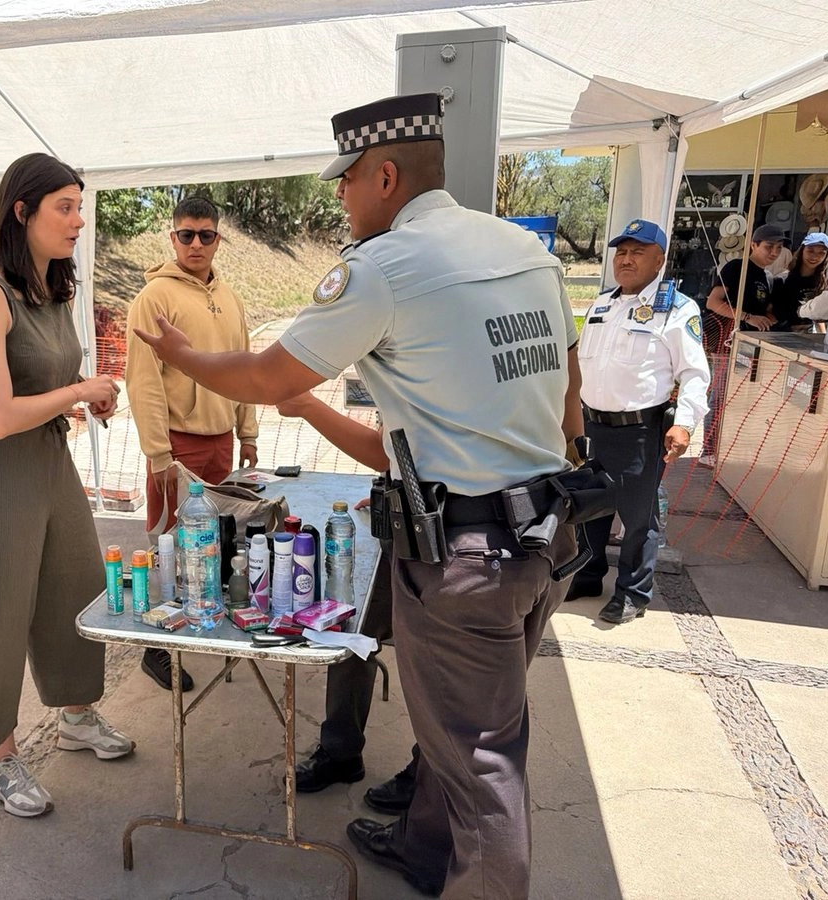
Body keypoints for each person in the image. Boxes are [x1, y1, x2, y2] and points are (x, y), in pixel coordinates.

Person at [136, 92, 584, 899]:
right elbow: (552, 393)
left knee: (483, 766)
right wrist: (305, 407)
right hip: (542, 533)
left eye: (346, 181)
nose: (338, 196)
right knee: (460, 737)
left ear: (385, 175)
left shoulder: (385, 267)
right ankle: (422, 852)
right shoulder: (524, 252)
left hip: (466, 561)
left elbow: (267, 373)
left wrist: (182, 353)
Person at [0, 152, 133, 821]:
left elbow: (47, 388)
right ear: (21, 211)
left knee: (77, 586)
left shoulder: (52, 287)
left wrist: (82, 401)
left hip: (50, 457)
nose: (79, 220)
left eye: (80, 206)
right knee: (1, 610)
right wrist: (80, 391)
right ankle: (1, 758)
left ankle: (78, 715)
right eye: (65, 206)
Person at [124, 197, 259, 692]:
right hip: (177, 447)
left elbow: (244, 365)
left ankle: (204, 634)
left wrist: (247, 432)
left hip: (221, 442)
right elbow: (143, 381)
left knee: (215, 547)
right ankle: (157, 648)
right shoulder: (154, 297)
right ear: (172, 238)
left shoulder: (229, 295)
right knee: (167, 550)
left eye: (206, 235)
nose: (196, 243)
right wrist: (158, 452)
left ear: (219, 238)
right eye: (186, 235)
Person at [273, 393, 419, 810]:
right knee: (355, 632)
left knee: (434, 660)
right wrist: (390, 487)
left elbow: (387, 450)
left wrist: (303, 403)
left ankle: (432, 772)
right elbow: (393, 444)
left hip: (458, 531)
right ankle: (340, 752)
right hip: (404, 512)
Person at [565, 220, 710, 624]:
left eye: (637, 252)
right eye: (621, 252)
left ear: (659, 260)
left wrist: (684, 424)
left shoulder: (678, 309)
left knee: (637, 518)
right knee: (590, 507)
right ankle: (588, 575)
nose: (626, 260)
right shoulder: (601, 305)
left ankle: (633, 592)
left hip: (640, 432)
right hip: (593, 426)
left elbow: (695, 374)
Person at [700, 223, 785, 466]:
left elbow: (765, 311)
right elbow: (713, 302)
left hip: (747, 344)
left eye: (778, 248)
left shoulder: (766, 277)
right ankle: (709, 450)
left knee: (738, 397)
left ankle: (728, 448)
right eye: (769, 246)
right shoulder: (737, 267)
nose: (774, 253)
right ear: (753, 245)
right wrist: (747, 317)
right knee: (719, 395)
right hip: (724, 341)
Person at [772, 232, 828, 331]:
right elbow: (770, 311)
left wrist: (821, 336)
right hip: (783, 334)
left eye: (821, 253)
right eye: (810, 251)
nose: (815, 257)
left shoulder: (823, 282)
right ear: (802, 250)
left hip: (810, 334)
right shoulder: (782, 280)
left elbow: (819, 315)